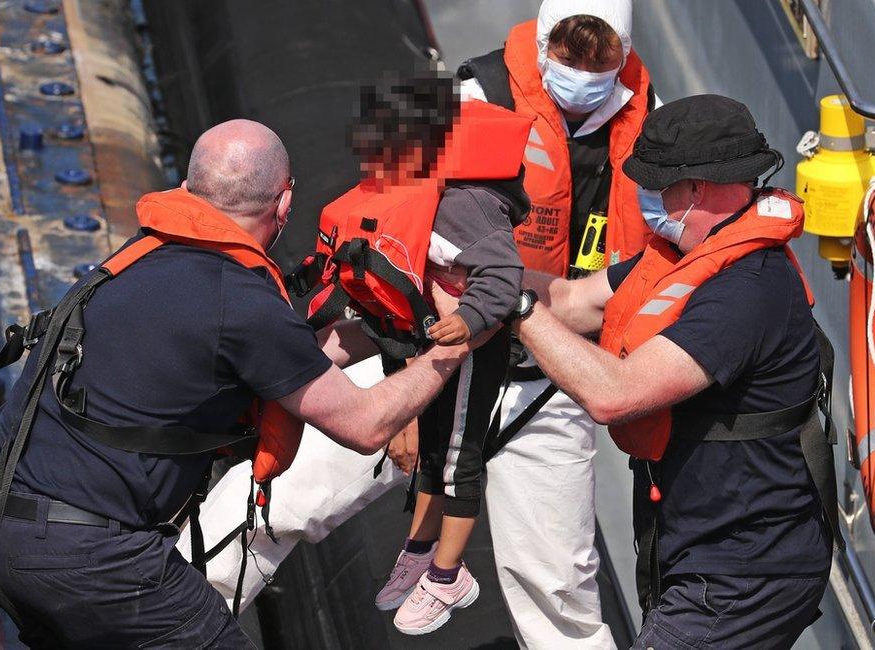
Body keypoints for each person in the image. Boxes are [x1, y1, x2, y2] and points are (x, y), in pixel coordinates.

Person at [0, 119, 487, 648]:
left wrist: (390, 331)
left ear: (187, 190)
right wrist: (455, 341)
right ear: (283, 204)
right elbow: (367, 425)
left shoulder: (142, 257)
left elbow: (286, 359)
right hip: (91, 561)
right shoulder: (242, 300)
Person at [492, 94, 840, 649]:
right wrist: (490, 271)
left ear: (695, 189)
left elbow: (615, 394)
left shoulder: (744, 289)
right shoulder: (681, 256)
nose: (644, 199)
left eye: (654, 186)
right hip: (699, 550)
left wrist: (513, 309)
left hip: (744, 572)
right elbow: (579, 301)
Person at [454, 0, 655, 646]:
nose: (583, 74)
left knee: (560, 593)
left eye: (600, 61)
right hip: (445, 354)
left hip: (550, 378)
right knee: (286, 499)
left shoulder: (648, 121)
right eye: (569, 57)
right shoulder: (475, 93)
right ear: (542, 46)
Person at [307, 74, 529, 635]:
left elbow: (502, 278)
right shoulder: (405, 193)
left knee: (458, 460)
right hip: (425, 343)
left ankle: (450, 577)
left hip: (469, 351)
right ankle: (421, 547)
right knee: (431, 454)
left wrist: (466, 320)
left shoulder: (465, 204)